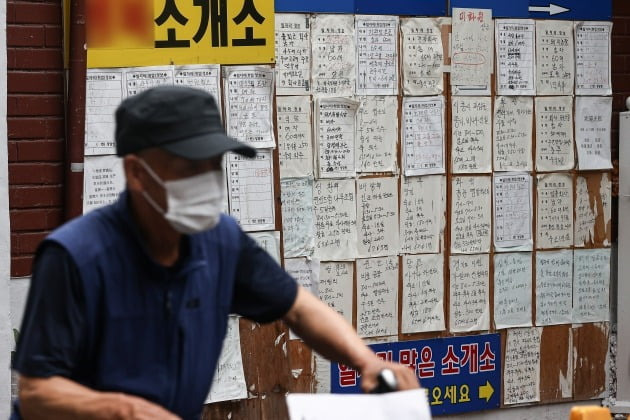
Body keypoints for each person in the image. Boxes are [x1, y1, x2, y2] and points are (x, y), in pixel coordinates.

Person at [11, 86, 419, 420]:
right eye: (188, 168)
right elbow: (36, 394)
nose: (206, 181)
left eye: (213, 166)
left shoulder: (220, 241)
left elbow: (298, 307)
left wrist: (366, 361)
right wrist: (121, 410)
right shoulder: (76, 257)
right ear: (136, 172)